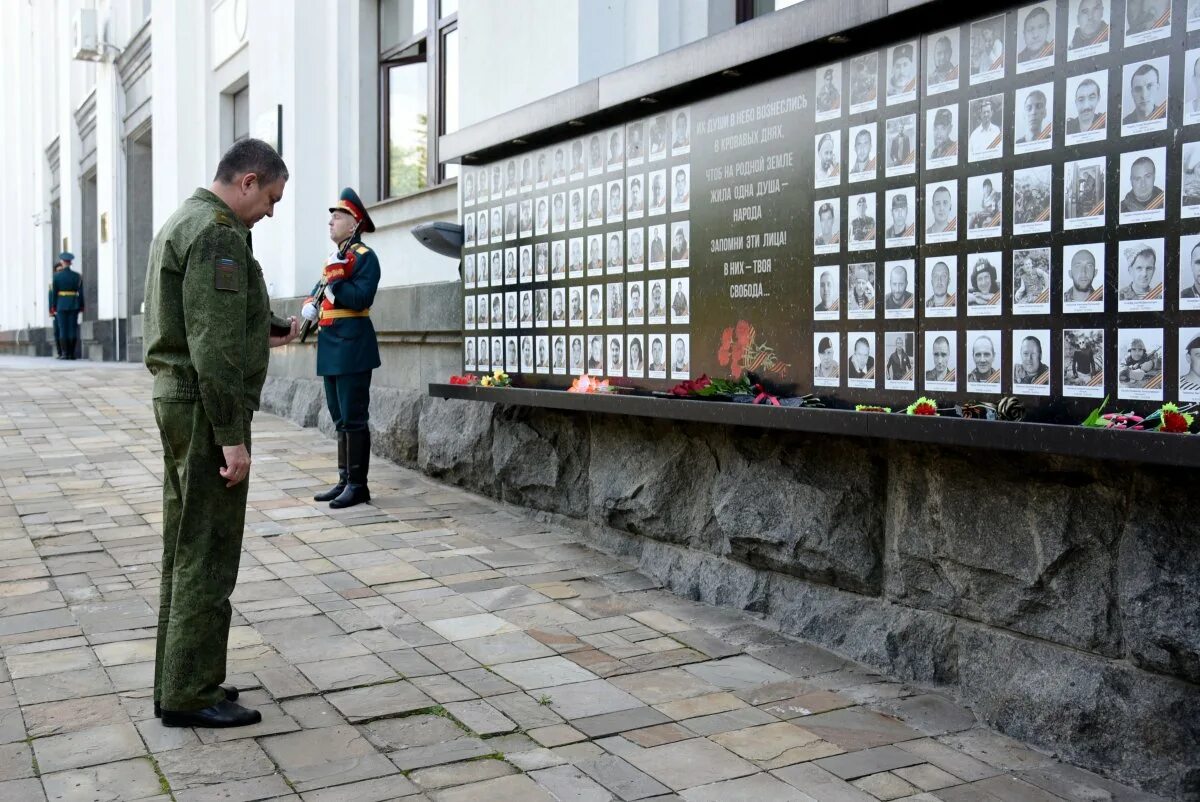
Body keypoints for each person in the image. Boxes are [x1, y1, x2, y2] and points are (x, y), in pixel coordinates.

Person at [143, 139, 299, 728]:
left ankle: (183, 677)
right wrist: (232, 438)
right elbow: (211, 345)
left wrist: (273, 326)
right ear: (249, 181)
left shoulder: (184, 219)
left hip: (179, 401)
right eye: (271, 199)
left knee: (185, 545)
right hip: (205, 409)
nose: (270, 212)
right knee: (208, 550)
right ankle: (189, 695)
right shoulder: (217, 234)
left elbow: (206, 314)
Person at [301, 188, 382, 510]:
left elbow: (361, 298)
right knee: (339, 418)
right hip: (331, 345)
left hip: (352, 347)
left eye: (339, 216)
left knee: (353, 417)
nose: (331, 221)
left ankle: (358, 485)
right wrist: (310, 305)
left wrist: (335, 281)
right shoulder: (335, 259)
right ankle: (344, 478)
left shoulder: (364, 257)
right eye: (331, 216)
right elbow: (317, 292)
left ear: (355, 223)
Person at [48, 251, 84, 360]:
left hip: (61, 304)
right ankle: (72, 353)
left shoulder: (57, 276)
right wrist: (81, 305)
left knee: (63, 329)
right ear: (70, 262)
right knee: (72, 329)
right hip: (74, 303)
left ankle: (64, 353)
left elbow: (54, 293)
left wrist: (53, 306)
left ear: (63, 263)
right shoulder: (77, 276)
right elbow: (81, 293)